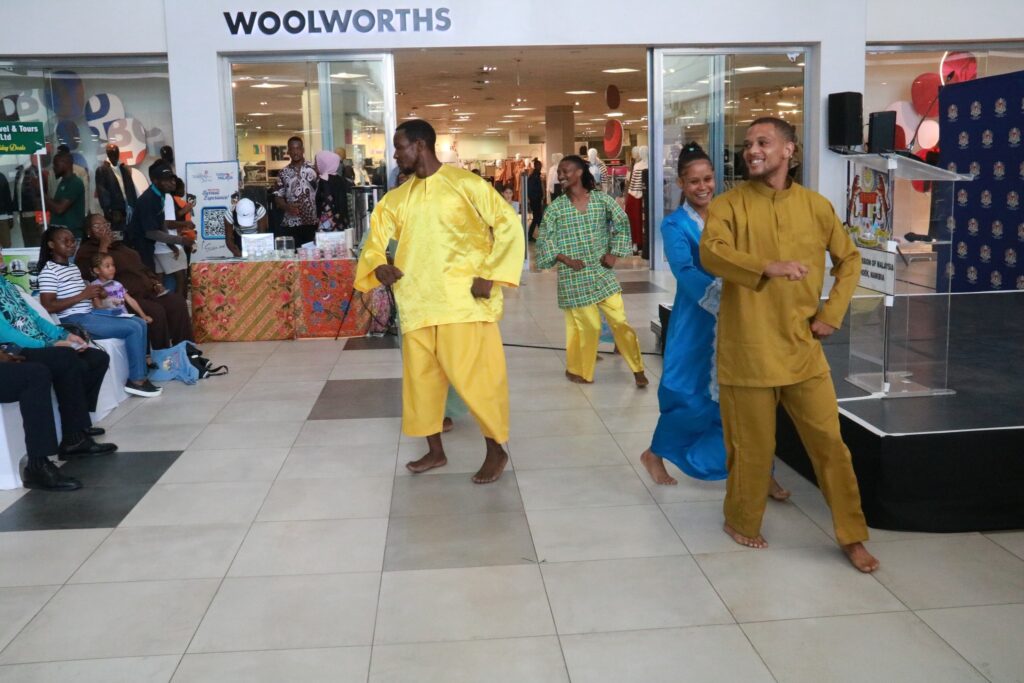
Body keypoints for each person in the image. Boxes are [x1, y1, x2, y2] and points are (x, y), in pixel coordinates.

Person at [699, 117, 878, 573]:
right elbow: (712, 253)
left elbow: (850, 260)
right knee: (752, 448)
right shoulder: (729, 205)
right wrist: (766, 267)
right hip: (747, 350)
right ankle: (740, 519)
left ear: (789, 151)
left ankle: (852, 535)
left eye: (763, 142)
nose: (752, 150)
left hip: (802, 348)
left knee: (831, 446)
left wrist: (831, 315)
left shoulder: (816, 207)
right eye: (749, 144)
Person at [354, 119, 523, 484]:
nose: (396, 154)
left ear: (420, 145)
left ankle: (496, 450)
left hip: (461, 302)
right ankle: (435, 451)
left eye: (400, 147)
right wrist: (379, 265)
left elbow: (508, 223)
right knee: (422, 382)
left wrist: (490, 273)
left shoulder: (466, 184)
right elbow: (374, 242)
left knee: (477, 380)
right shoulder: (396, 199)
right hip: (416, 303)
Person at [639, 143, 789, 502]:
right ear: (681, 184)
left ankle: (760, 471)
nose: (702, 187)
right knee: (688, 395)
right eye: (693, 182)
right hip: (697, 316)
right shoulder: (674, 224)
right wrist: (718, 300)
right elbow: (684, 269)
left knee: (748, 398)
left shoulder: (733, 212)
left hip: (743, 314)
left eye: (707, 179)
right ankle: (655, 453)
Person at [536, 155, 648, 387]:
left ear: (579, 173)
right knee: (588, 327)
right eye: (559, 172)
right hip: (574, 278)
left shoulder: (600, 200)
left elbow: (622, 223)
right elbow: (545, 241)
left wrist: (614, 254)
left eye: (566, 171)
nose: (560, 175)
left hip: (602, 273)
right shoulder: (555, 208)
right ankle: (581, 371)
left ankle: (637, 368)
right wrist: (565, 259)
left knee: (620, 321)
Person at [0, 279, 118, 463]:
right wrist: (48, 345)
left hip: (40, 343)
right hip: (16, 349)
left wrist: (63, 335)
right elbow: (5, 333)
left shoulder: (6, 284)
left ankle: (77, 425)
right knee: (64, 357)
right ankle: (74, 438)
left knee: (97, 358)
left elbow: (35, 318)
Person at [37, 226, 161, 397]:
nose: (71, 244)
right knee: (133, 328)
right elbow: (48, 306)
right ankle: (137, 380)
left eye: (73, 240)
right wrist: (83, 295)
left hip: (91, 314)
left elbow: (85, 294)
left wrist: (97, 292)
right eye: (65, 241)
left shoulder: (72, 268)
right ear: (51, 245)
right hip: (75, 320)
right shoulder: (48, 272)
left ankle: (140, 376)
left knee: (139, 322)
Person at [75, 214, 193, 349]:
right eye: (97, 226)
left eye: (105, 224)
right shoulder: (86, 251)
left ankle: (187, 350)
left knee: (177, 302)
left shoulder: (119, 246)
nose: (103, 228)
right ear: (88, 232)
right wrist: (103, 246)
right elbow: (92, 274)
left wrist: (155, 282)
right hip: (123, 298)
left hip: (148, 291)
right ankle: (162, 357)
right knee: (156, 311)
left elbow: (141, 267)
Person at [127, 160, 195, 283]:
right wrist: (181, 240)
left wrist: (171, 244)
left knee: (157, 279)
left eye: (173, 179)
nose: (172, 182)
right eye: (167, 180)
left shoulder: (160, 195)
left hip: (149, 244)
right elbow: (151, 232)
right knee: (149, 279)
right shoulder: (148, 199)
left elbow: (161, 223)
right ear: (155, 181)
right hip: (140, 244)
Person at [273, 136, 318, 247]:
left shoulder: (314, 169)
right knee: (294, 256)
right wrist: (286, 207)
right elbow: (277, 196)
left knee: (311, 257)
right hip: (291, 223)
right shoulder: (283, 173)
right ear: (288, 151)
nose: (295, 151)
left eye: (298, 148)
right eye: (292, 149)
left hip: (312, 221)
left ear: (303, 150)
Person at [89, 253, 152, 321]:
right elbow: (97, 306)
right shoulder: (94, 286)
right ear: (97, 270)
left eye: (113, 265)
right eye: (107, 266)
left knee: (141, 323)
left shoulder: (117, 284)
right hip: (108, 319)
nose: (112, 268)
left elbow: (130, 299)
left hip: (123, 316)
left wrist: (143, 315)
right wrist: (109, 303)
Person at [95, 143, 137, 236]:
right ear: (107, 153)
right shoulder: (102, 170)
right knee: (116, 236)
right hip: (114, 211)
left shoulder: (124, 169)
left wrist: (134, 204)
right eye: (111, 152)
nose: (115, 154)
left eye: (116, 151)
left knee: (129, 235)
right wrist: (108, 210)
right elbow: (102, 192)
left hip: (128, 208)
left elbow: (131, 189)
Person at [49, 151, 86, 240]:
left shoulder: (75, 183)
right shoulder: (63, 182)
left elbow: (60, 209)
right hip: (62, 235)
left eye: (56, 165)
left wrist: (41, 193)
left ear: (65, 164)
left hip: (71, 236)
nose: (54, 168)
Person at [314, 150, 351, 233]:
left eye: (317, 162)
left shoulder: (324, 181)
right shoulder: (339, 179)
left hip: (329, 227)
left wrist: (322, 229)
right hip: (341, 224)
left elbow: (326, 206)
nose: (315, 165)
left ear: (324, 163)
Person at [527, 158, 544, 242]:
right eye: (539, 165)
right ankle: (530, 235)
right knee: (537, 218)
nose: (541, 167)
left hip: (536, 200)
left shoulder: (535, 175)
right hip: (535, 201)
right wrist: (535, 198)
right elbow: (531, 189)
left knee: (538, 218)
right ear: (536, 166)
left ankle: (534, 235)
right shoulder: (534, 176)